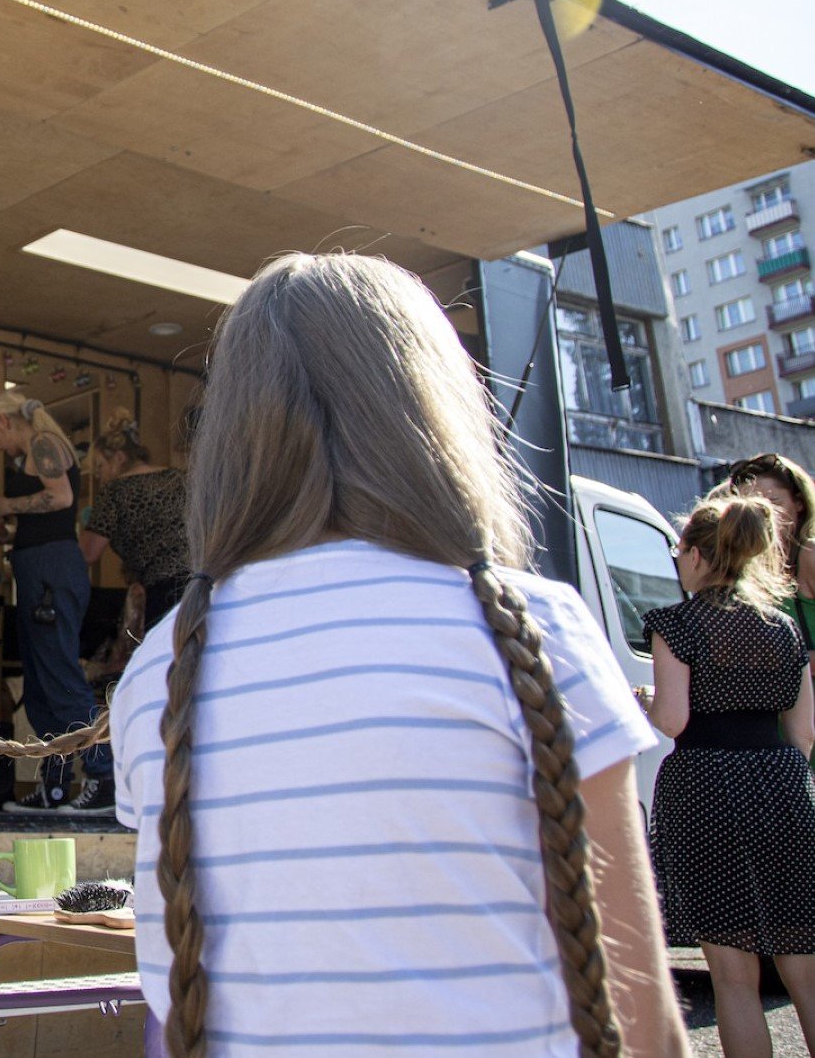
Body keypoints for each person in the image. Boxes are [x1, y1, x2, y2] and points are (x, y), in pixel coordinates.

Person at [110, 253, 687, 1056]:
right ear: (437, 409)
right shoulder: (536, 629)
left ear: (228, 440)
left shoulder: (156, 677)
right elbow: (643, 1014)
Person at [642, 494, 815, 1057]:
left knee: (733, 976)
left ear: (694, 555)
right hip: (782, 785)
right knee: (805, 968)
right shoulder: (783, 629)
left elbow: (672, 720)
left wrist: (643, 703)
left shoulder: (677, 624)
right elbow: (805, 733)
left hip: (706, 790)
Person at [0, 392, 114, 813]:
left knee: (60, 675)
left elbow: (60, 498)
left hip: (52, 570)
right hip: (35, 566)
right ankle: (55, 786)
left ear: (5, 422)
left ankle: (103, 777)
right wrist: (16, 531)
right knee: (39, 684)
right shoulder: (34, 451)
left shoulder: (44, 443)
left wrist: (8, 505)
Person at [79, 409, 188, 633]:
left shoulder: (114, 492)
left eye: (100, 466)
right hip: (202, 580)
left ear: (119, 458)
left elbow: (88, 553)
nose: (99, 476)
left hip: (161, 588)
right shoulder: (179, 478)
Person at [724, 453, 815, 644]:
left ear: (799, 503)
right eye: (750, 510)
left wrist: (788, 660)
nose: (763, 517)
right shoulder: (737, 567)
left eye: (773, 504)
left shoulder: (810, 554)